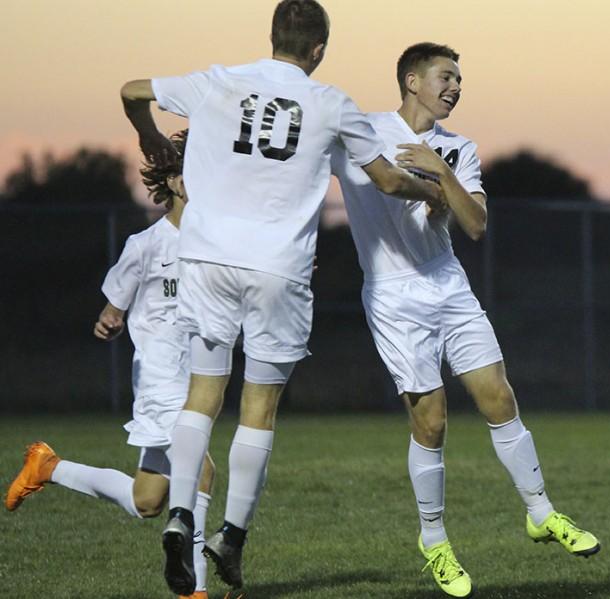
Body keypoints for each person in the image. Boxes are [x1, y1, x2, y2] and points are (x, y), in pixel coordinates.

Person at [119, 1, 444, 595]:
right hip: (279, 269)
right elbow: (390, 180)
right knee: (258, 411)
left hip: (207, 258)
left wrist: (151, 139)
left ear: (271, 37)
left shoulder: (217, 82)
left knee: (202, 395)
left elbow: (132, 90)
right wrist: (437, 187)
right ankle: (232, 537)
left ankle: (182, 516)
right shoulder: (331, 102)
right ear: (318, 50)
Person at [331, 42, 601, 598]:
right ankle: (434, 541)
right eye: (446, 76)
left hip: (447, 282)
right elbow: (316, 172)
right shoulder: (363, 130)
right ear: (411, 80)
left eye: (459, 80)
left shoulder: (459, 148)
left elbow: (475, 224)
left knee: (500, 397)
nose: (456, 87)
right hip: (393, 296)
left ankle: (542, 512)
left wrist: (438, 172)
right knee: (431, 422)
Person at [5, 131, 216, 599]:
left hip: (200, 379)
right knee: (200, 470)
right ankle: (196, 591)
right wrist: (110, 320)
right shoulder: (146, 246)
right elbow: (112, 308)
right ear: (178, 182)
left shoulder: (217, 243)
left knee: (147, 502)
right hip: (161, 379)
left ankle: (47, 467)